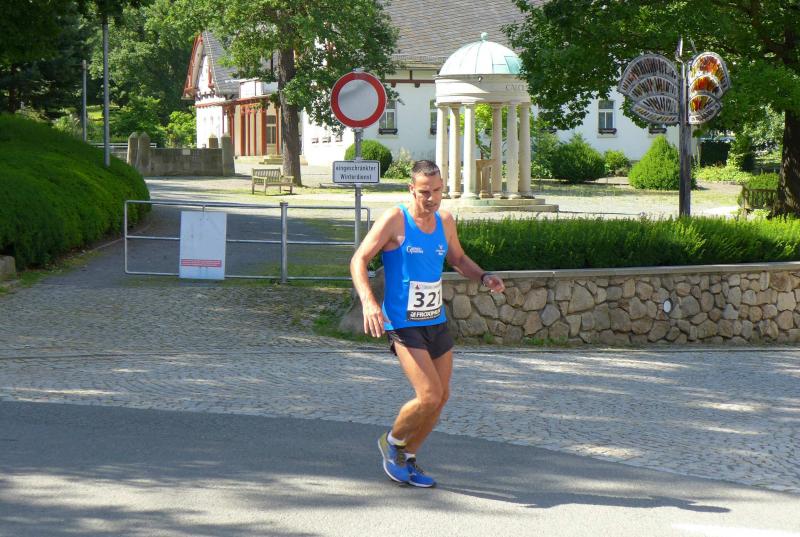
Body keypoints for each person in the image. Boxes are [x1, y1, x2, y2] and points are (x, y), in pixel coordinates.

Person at [350, 159, 505, 487]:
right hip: (402, 321)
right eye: (424, 192)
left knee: (442, 396)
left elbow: (457, 258)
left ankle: (409, 457)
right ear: (411, 189)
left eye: (437, 190)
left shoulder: (445, 221)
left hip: (435, 318)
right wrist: (368, 301)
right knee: (429, 394)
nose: (432, 198)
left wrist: (484, 276)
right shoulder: (395, 219)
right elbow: (359, 259)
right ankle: (391, 443)